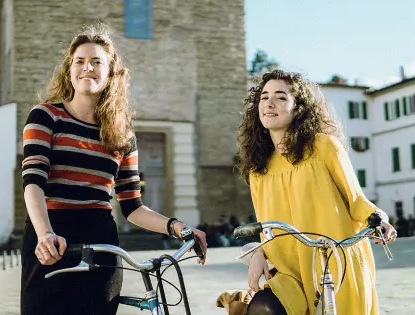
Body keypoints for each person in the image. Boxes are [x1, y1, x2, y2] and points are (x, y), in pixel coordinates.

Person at [20, 25, 207, 315]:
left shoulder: (121, 134)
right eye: (80, 61)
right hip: (52, 238)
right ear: (70, 69)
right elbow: (33, 182)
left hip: (101, 241)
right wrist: (45, 234)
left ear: (111, 73)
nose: (87, 68)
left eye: (97, 62)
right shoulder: (46, 116)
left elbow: (132, 206)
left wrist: (177, 228)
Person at [237, 70, 396, 315]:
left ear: (298, 108)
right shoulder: (258, 167)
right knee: (262, 308)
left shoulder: (323, 147)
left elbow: (356, 200)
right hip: (288, 269)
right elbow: (264, 225)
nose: (269, 103)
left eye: (280, 97)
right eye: (263, 97)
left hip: (334, 262)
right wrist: (259, 252)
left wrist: (379, 220)